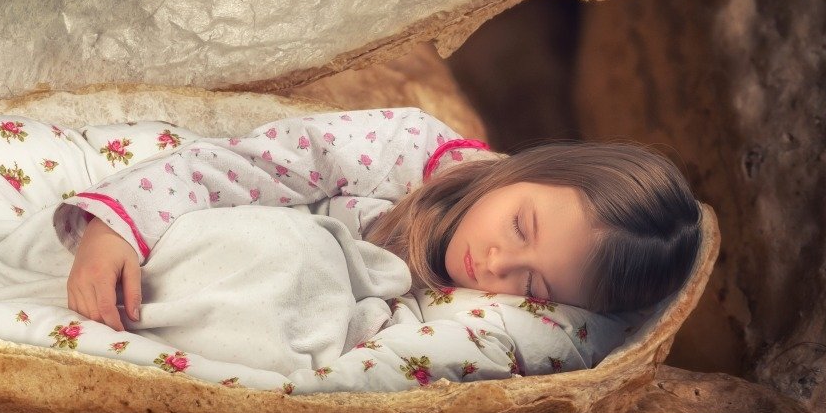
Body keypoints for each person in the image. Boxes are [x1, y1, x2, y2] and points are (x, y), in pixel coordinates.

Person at [60, 108, 702, 331]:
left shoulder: (489, 325)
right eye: (519, 227)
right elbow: (245, 165)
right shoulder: (403, 149)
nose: (498, 267)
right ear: (531, 167)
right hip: (182, 216)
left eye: (534, 289)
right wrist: (117, 225)